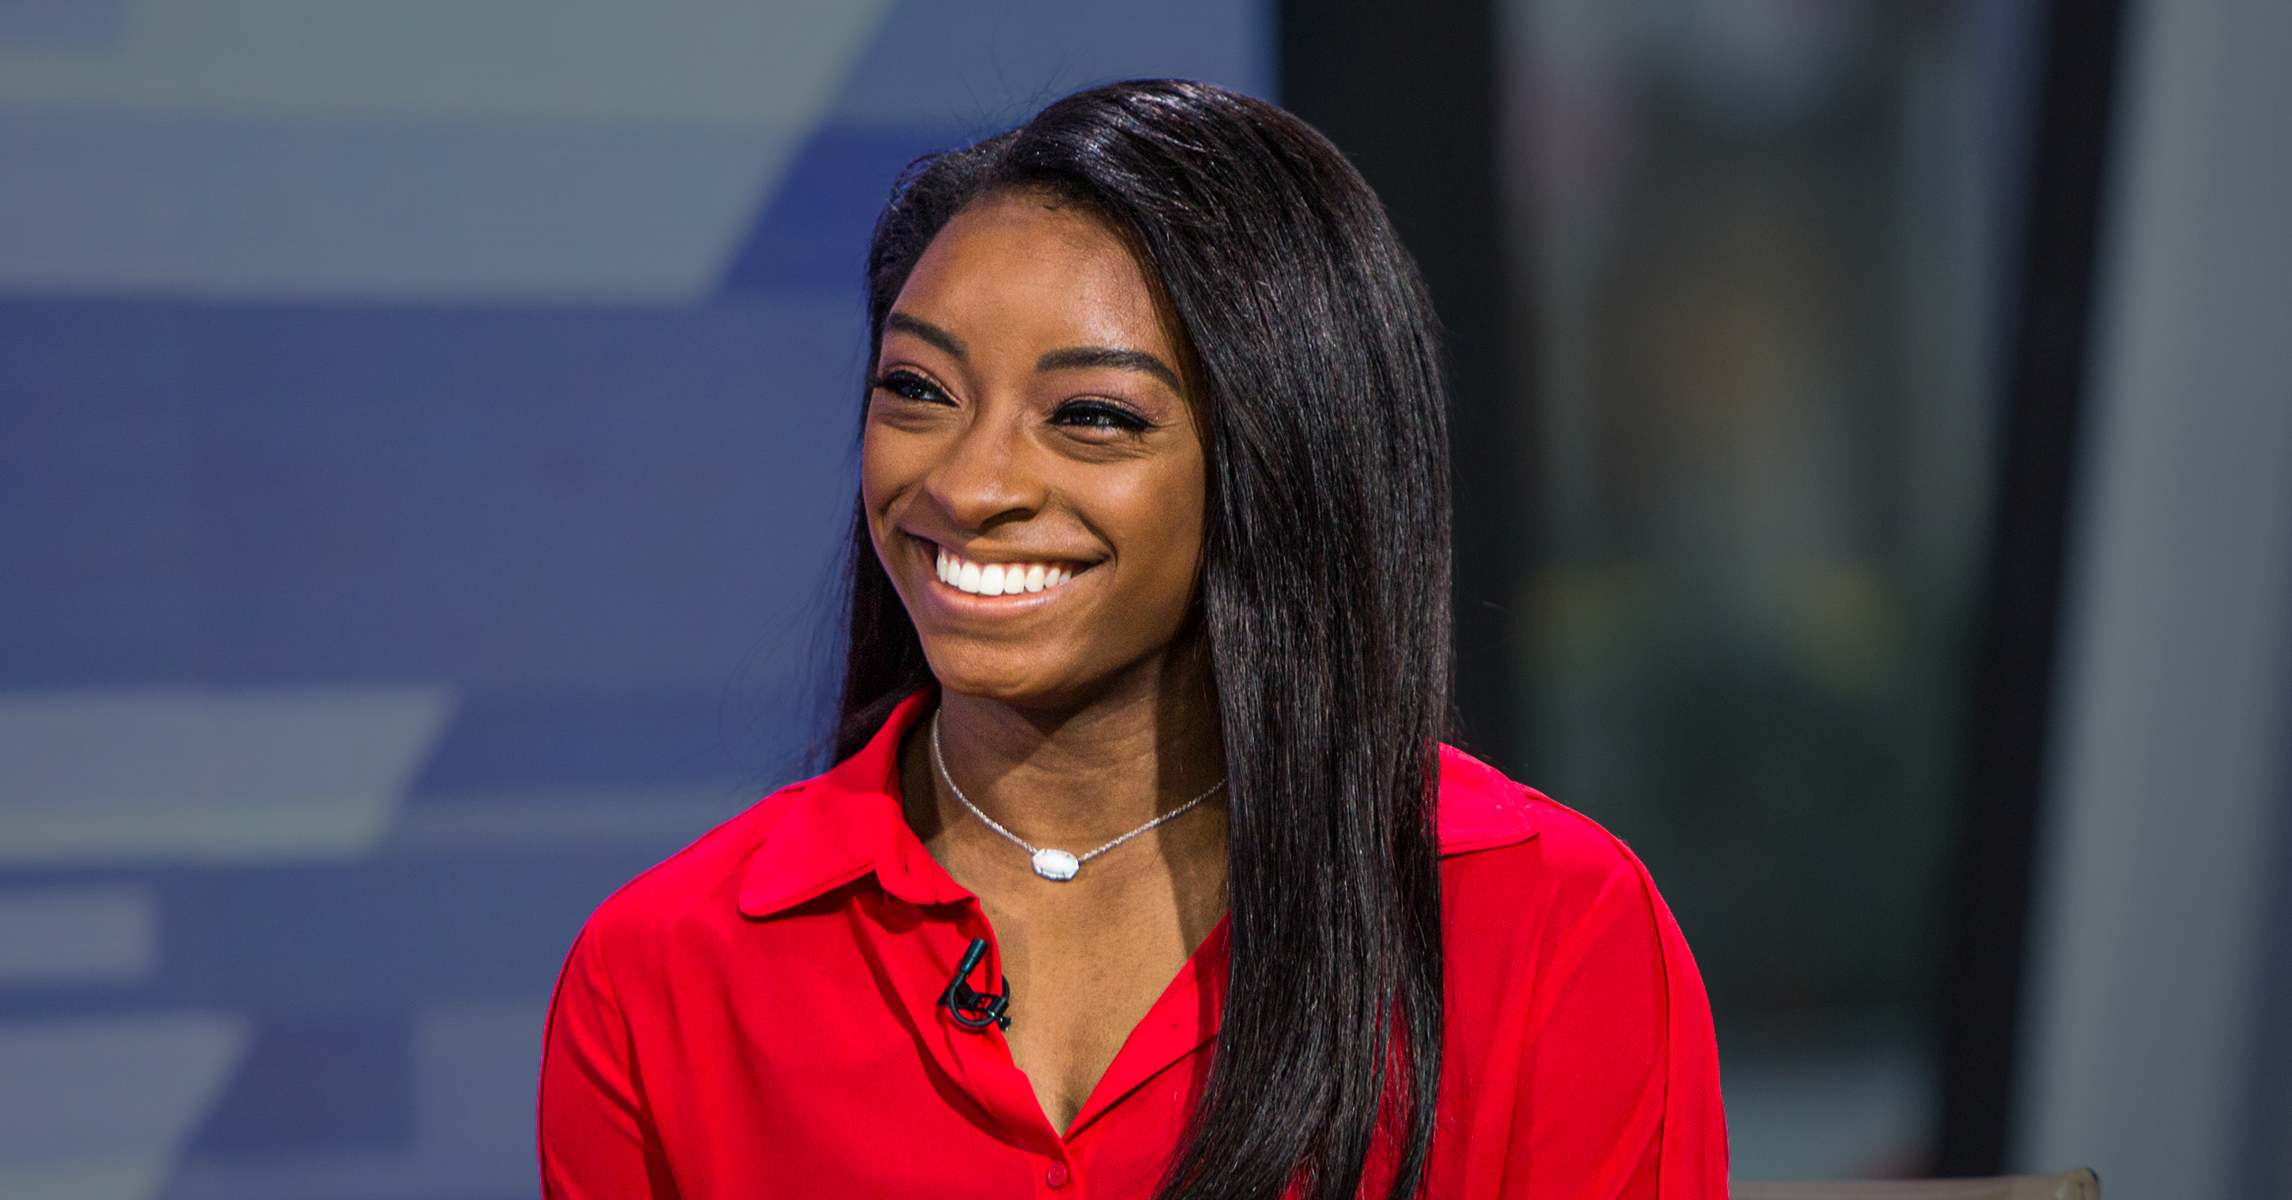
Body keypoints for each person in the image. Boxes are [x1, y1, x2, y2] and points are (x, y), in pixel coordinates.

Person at [538, 79, 1728, 1200]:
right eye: (918, 389)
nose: (971, 481)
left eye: (1091, 416)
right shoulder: (666, 977)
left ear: (1278, 465)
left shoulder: (1551, 930)